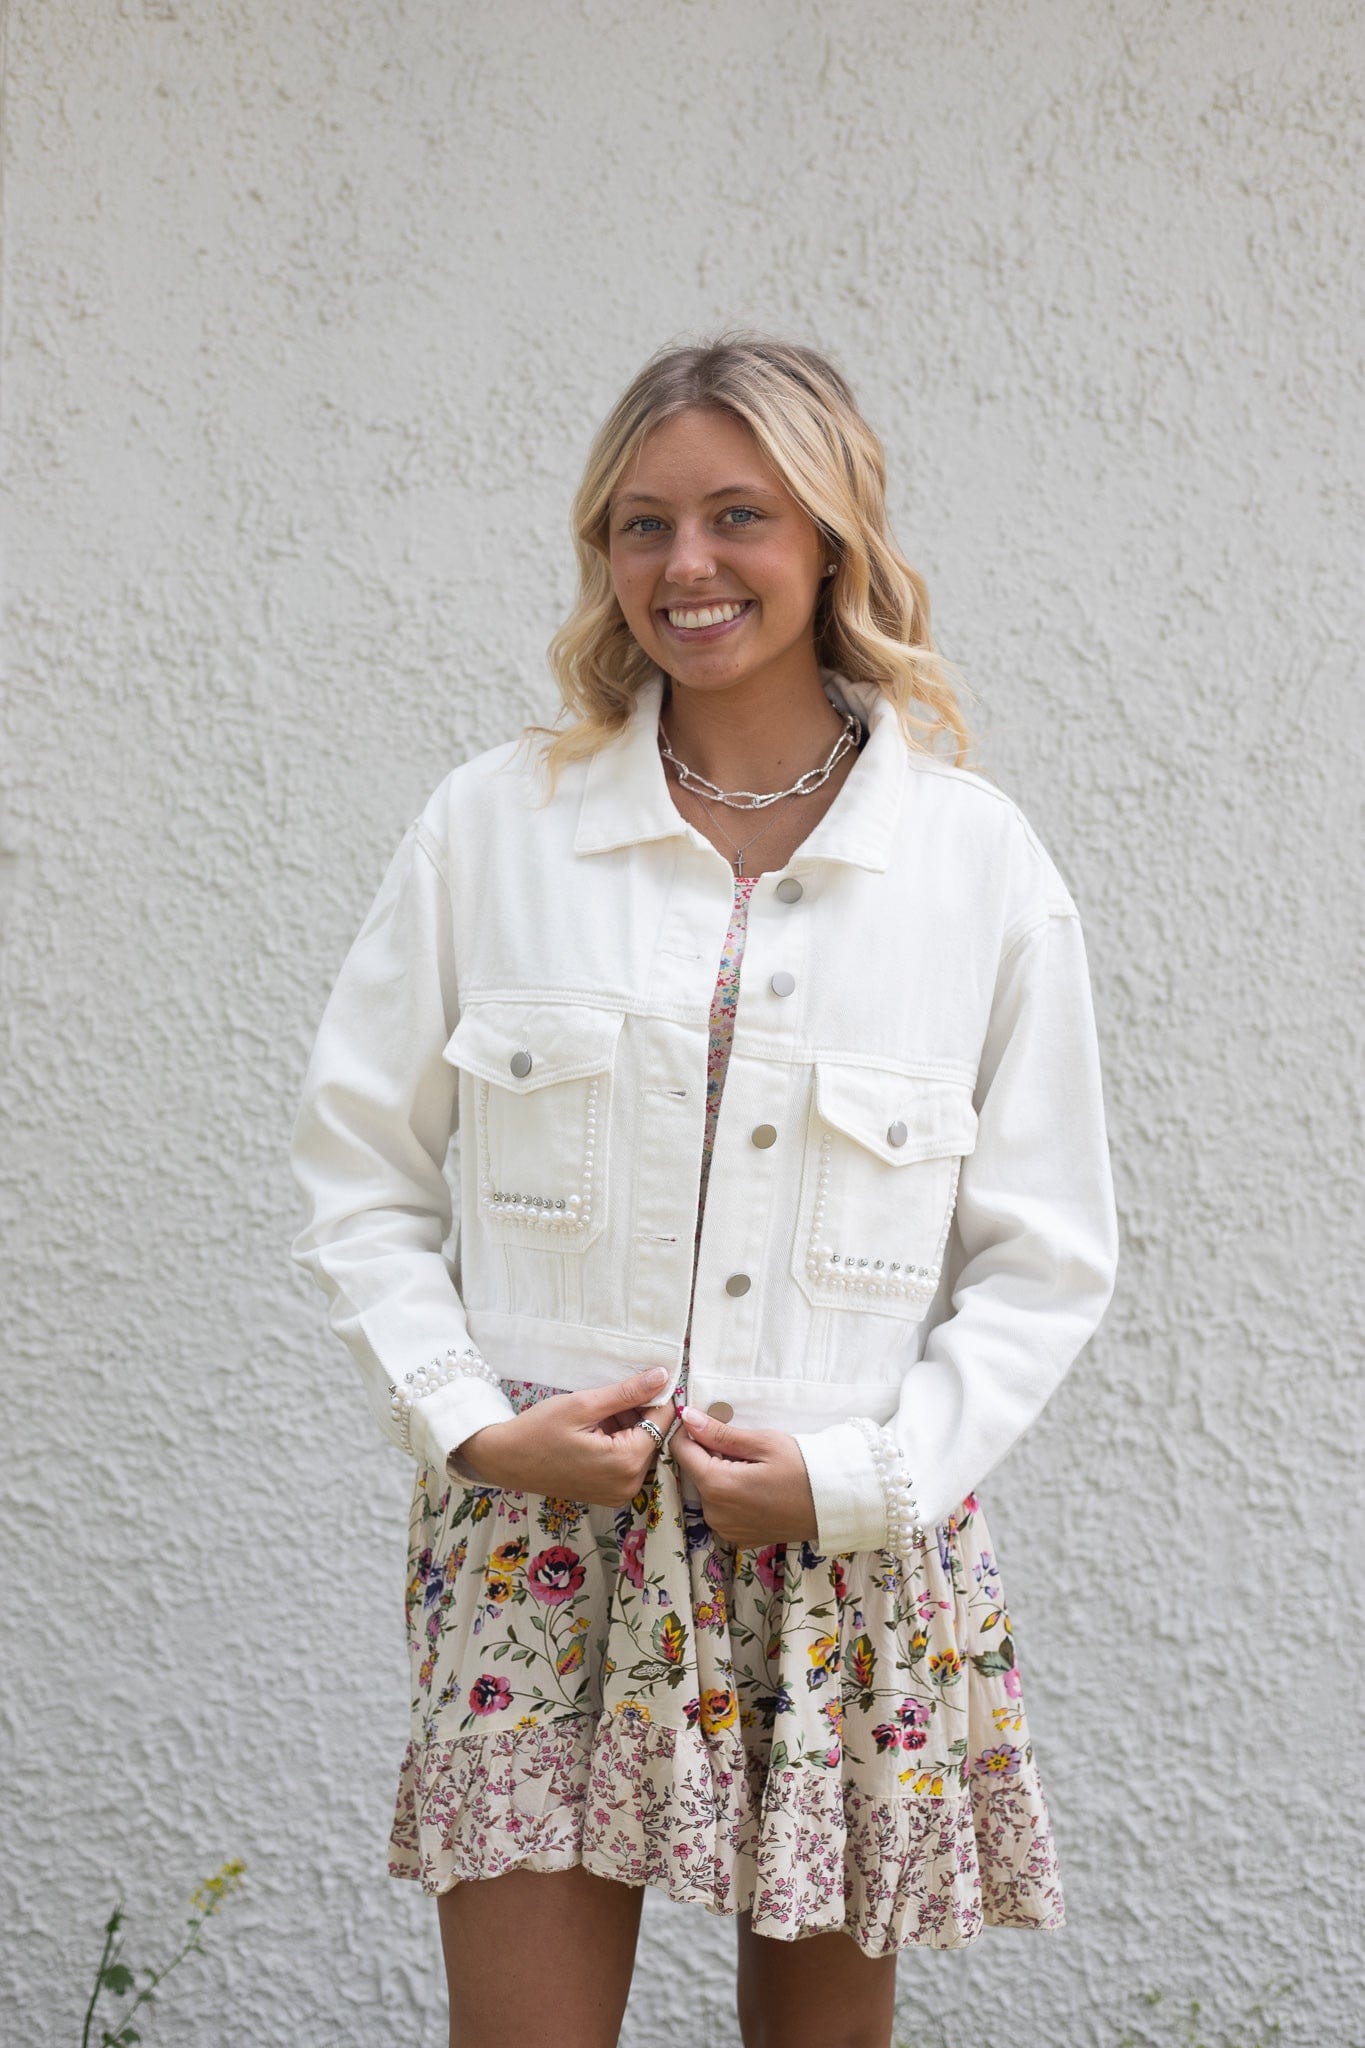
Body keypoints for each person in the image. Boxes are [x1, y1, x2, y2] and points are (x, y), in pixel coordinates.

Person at [288, 330, 1119, 2048]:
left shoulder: (973, 866)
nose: (685, 566)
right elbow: (360, 1173)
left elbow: (1044, 1255)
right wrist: (468, 1423)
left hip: (838, 1545)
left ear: (830, 540)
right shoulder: (491, 829)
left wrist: (866, 1479)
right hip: (541, 1537)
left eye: (738, 515)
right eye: (638, 523)